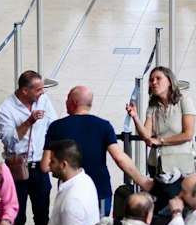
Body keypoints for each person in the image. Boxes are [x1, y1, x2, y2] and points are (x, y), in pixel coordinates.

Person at [48, 85, 146, 213]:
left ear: (73, 102)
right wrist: (141, 181)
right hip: (100, 191)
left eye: (67, 98)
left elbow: (45, 165)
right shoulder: (104, 126)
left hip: (70, 192)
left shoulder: (57, 127)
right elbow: (119, 157)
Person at [0, 70, 54, 225]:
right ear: (24, 91)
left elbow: (53, 125)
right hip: (16, 170)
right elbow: (8, 139)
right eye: (38, 90)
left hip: (39, 167)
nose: (42, 93)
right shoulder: (5, 108)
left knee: (42, 216)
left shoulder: (44, 101)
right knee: (17, 217)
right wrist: (29, 121)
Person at [129, 65, 196, 180]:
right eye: (151, 80)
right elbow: (146, 135)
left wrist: (161, 141)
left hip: (181, 163)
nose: (154, 82)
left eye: (158, 78)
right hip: (157, 164)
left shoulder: (184, 101)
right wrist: (135, 117)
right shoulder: (153, 106)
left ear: (170, 81)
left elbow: (188, 134)